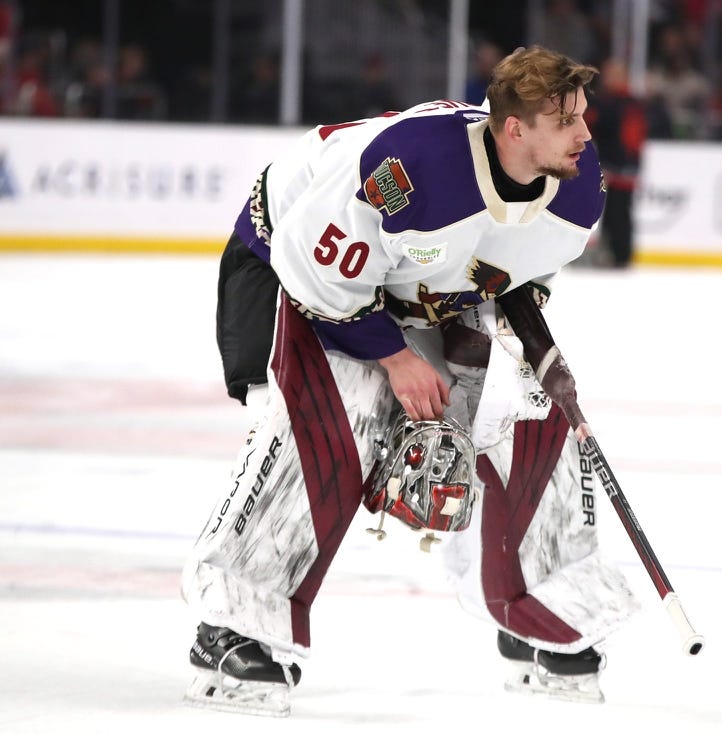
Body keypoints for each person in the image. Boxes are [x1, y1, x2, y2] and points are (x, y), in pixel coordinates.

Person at [181, 45, 640, 717]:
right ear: (515, 129)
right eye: (566, 119)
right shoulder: (407, 169)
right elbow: (318, 273)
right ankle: (232, 626)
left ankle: (540, 612)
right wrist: (396, 360)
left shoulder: (576, 179)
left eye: (583, 117)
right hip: (294, 262)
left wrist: (525, 338)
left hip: (422, 288)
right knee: (340, 417)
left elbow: (520, 268)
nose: (585, 134)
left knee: (533, 411)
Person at [585, 57, 647, 268]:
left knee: (618, 212)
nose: (608, 79)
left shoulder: (623, 104)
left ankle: (621, 254)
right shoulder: (609, 102)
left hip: (620, 167)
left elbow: (631, 139)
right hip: (614, 165)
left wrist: (625, 165)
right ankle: (615, 252)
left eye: (613, 75)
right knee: (613, 212)